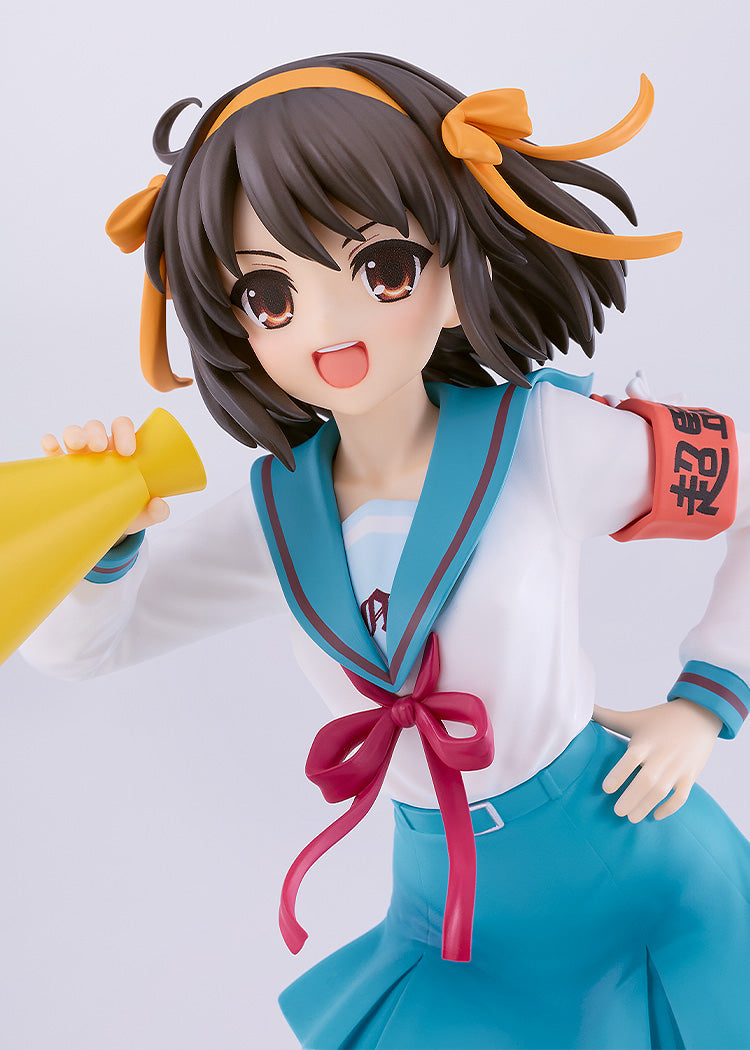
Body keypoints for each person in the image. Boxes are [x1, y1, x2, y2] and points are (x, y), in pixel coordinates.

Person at [22, 54, 750, 1049]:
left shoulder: (541, 442)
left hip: (635, 868)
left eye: (382, 270)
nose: (328, 327)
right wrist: (100, 543)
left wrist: (709, 699)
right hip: (445, 911)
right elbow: (82, 650)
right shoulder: (275, 512)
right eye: (269, 294)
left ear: (455, 273)